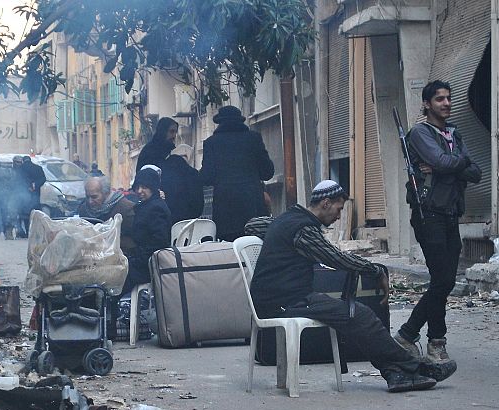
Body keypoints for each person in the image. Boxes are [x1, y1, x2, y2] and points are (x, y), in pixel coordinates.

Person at [244, 180, 457, 393]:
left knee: (356, 315)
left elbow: (252, 225)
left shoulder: (290, 218)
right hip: (285, 302)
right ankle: (415, 368)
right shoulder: (303, 229)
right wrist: (374, 270)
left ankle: (397, 373)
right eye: (338, 208)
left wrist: (277, 226)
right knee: (359, 315)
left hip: (282, 298)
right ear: (325, 203)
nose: (339, 216)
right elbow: (334, 258)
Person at [393, 80, 482, 363]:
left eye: (448, 99)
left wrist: (449, 164)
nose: (446, 103)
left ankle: (408, 335)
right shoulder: (420, 133)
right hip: (428, 213)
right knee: (443, 279)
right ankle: (435, 342)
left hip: (451, 214)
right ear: (427, 104)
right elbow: (446, 163)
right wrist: (454, 164)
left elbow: (476, 172)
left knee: (442, 282)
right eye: (440, 99)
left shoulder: (453, 133)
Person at [200, 105, 274, 241]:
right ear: (241, 121)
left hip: (225, 211)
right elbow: (267, 172)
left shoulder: (211, 143)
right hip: (254, 209)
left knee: (229, 252)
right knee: (255, 248)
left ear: (219, 123)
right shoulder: (254, 139)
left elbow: (207, 177)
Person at [124, 165, 172, 293]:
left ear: (153, 187)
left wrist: (136, 260)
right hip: (143, 259)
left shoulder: (155, 208)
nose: (139, 191)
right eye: (137, 187)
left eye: (144, 187)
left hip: (148, 265)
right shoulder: (148, 205)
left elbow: (159, 242)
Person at [76, 176, 136, 257]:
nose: (90, 201)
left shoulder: (125, 209)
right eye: (87, 197)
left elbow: (131, 241)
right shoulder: (84, 209)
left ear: (106, 193)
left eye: (94, 197)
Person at [161, 144, 204, 224]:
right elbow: (198, 205)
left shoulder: (162, 173)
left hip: (167, 224)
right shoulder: (193, 174)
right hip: (191, 224)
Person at [21, 155, 47, 234]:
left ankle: (27, 230)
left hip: (24, 194)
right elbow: (43, 178)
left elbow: (19, 180)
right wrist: (35, 185)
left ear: (23, 161)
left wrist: (27, 187)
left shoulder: (21, 168)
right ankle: (36, 230)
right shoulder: (38, 168)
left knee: (25, 213)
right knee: (35, 212)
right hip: (36, 193)